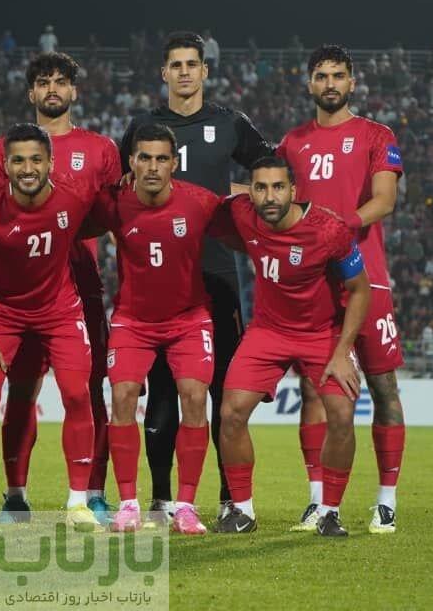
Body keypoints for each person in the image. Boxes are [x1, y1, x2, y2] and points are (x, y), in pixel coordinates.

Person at [120, 32, 275, 526]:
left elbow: (273, 173)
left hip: (216, 273)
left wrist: (230, 193)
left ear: (205, 71)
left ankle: (231, 498)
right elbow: (123, 189)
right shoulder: (143, 128)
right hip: (160, 279)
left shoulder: (230, 123)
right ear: (163, 73)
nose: (185, 72)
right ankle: (162, 500)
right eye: (177, 65)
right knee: (164, 395)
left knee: (223, 392)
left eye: (193, 64)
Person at [277, 44, 406, 534]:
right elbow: (277, 204)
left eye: (337, 75)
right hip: (314, 284)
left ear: (352, 82)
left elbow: (385, 200)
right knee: (312, 389)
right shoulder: (291, 143)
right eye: (321, 75)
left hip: (367, 279)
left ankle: (386, 500)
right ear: (309, 83)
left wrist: (338, 227)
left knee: (384, 388)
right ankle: (317, 501)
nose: (329, 83)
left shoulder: (376, 135)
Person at [0, 52, 120, 524]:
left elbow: (115, 222)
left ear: (74, 91)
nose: (53, 89)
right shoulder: (5, 151)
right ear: (31, 92)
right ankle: (14, 495)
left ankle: (93, 494)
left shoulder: (101, 150)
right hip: (21, 290)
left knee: (88, 389)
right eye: (44, 82)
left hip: (81, 284)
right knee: (21, 391)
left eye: (61, 81)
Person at [210, 157, 370, 537]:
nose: (270, 196)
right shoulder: (243, 214)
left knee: (341, 416)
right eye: (261, 188)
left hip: (322, 334)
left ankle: (329, 512)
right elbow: (208, 190)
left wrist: (342, 351)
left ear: (293, 191)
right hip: (268, 331)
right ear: (250, 192)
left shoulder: (328, 230)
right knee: (230, 412)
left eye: (278, 187)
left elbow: (360, 290)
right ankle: (242, 511)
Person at [0, 123, 101, 531]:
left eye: (36, 160)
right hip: (0, 312)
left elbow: (114, 212)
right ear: (5, 166)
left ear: (51, 162)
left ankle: (78, 503)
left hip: (59, 310)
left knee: (77, 393)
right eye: (18, 160)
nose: (27, 168)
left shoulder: (76, 195)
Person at [85, 123, 221, 534]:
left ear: (174, 163)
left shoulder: (200, 202)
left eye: (162, 158)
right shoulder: (114, 203)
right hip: (134, 320)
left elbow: (246, 224)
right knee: (122, 397)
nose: (153, 166)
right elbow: (72, 217)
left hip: (189, 319)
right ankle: (128, 503)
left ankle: (186, 507)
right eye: (144, 158)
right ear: (131, 162)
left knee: (194, 397)